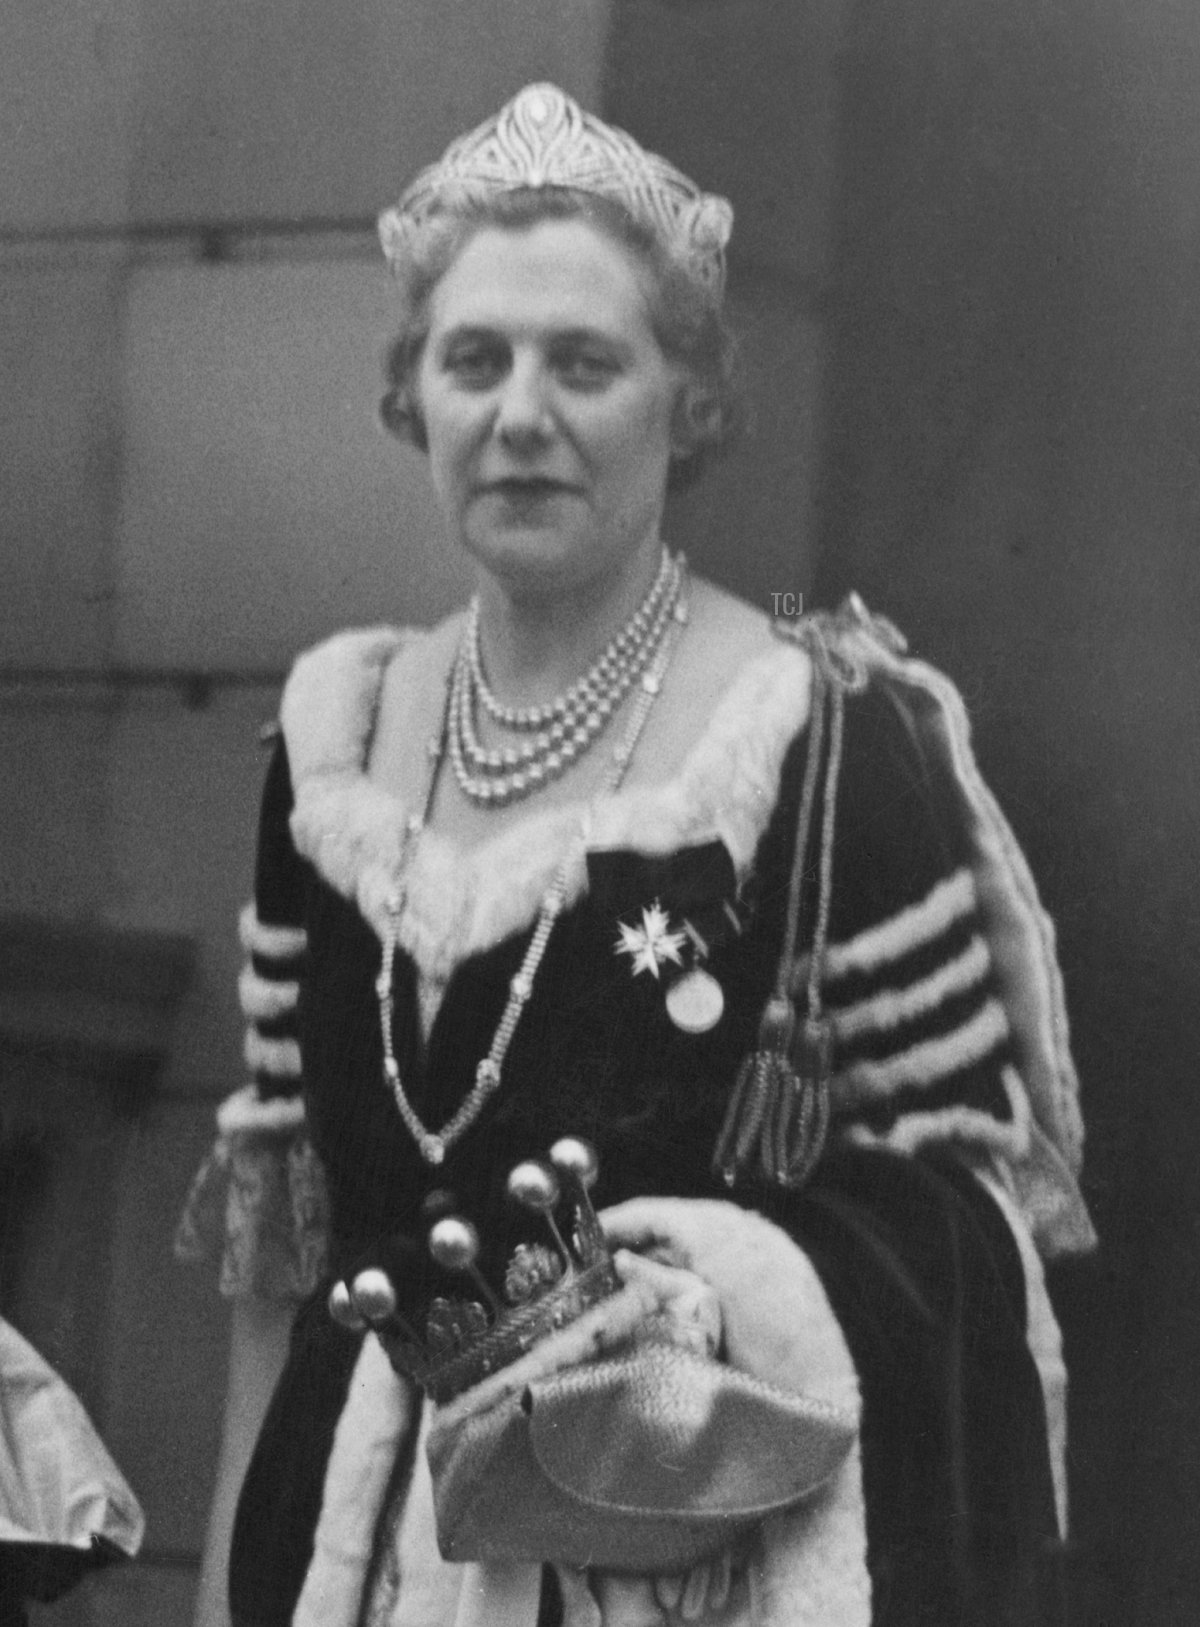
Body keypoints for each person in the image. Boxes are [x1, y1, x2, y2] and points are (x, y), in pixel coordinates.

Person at [178, 83, 1096, 1627]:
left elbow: (977, 1251)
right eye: (473, 360)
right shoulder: (331, 746)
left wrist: (706, 1285)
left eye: (585, 363)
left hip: (679, 1572)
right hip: (338, 1566)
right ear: (416, 398)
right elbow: (280, 1285)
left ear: (689, 400)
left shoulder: (824, 740)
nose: (520, 413)